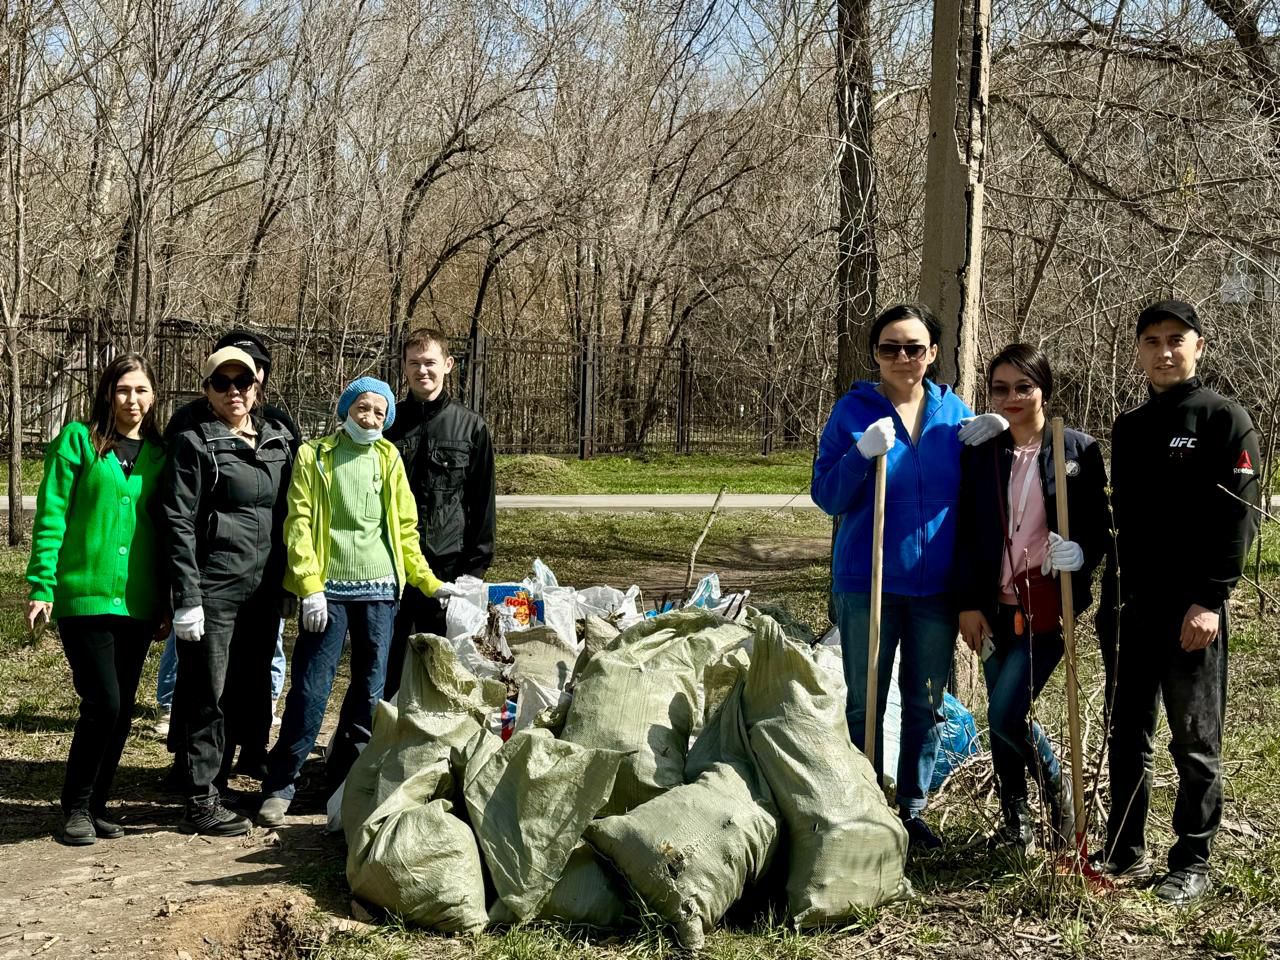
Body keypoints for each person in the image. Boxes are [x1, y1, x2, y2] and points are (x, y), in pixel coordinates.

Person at [811, 302, 1007, 849]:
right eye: (890, 347)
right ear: (875, 354)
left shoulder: (954, 415)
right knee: (863, 698)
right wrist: (858, 453)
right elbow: (827, 496)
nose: (903, 357)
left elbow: (991, 492)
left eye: (914, 348)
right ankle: (862, 800)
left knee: (924, 697)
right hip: (866, 582)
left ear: (934, 354)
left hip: (937, 588)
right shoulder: (852, 411)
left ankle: (912, 809)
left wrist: (1000, 438)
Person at [1096, 299, 1260, 904]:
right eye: (1151, 341)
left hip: (1192, 610)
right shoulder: (1130, 426)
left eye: (1175, 339)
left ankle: (1192, 858)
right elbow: (1121, 520)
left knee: (1194, 740)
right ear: (1138, 350)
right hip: (1129, 609)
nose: (1164, 351)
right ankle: (1124, 847)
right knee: (1127, 732)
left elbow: (1236, 519)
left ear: (1198, 347)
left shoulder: (1223, 418)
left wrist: (1210, 599)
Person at [256, 378, 444, 828]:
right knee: (311, 689)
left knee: (368, 694)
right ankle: (281, 784)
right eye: (363, 408)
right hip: (329, 594)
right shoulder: (315, 457)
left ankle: (346, 788)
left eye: (380, 413)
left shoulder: (389, 458)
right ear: (345, 409)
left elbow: (404, 527)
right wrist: (310, 586)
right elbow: (298, 523)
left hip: (381, 593)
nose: (371, 418)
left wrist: (429, 582)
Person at [953, 344, 1109, 850]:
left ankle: (1059, 798)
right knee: (1005, 719)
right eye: (1001, 388)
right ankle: (1016, 820)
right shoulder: (984, 453)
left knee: (1003, 715)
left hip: (1045, 608)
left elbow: (1097, 528)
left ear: (1044, 388)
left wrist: (1080, 552)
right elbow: (968, 533)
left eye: (1024, 386)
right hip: (992, 609)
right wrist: (969, 604)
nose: (1013, 397)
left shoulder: (1076, 449)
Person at [25, 354, 168, 844]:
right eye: (124, 390)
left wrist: (167, 603)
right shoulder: (79, 441)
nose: (134, 400)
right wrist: (42, 585)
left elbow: (167, 532)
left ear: (154, 397)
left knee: (124, 706)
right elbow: (51, 516)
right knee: (102, 702)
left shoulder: (159, 452)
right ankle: (76, 807)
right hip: (84, 596)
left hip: (138, 601)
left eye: (142, 391)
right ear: (108, 393)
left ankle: (97, 805)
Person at [162, 346, 294, 836]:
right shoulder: (196, 442)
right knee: (205, 692)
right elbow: (177, 520)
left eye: (242, 382)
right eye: (222, 383)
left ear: (257, 385)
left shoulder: (278, 440)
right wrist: (187, 596)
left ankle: (224, 780)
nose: (234, 391)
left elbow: (291, 516)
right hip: (213, 587)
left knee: (249, 685)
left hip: (262, 590)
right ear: (207, 390)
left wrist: (291, 583)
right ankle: (200, 796)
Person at [383, 329, 495, 699]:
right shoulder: (386, 424)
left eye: (430, 362)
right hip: (391, 565)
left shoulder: (471, 427)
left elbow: (481, 503)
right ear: (404, 367)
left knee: (445, 664)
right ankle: (379, 738)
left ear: (447, 365)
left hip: (447, 566)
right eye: (414, 363)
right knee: (386, 662)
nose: (422, 371)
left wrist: (474, 572)